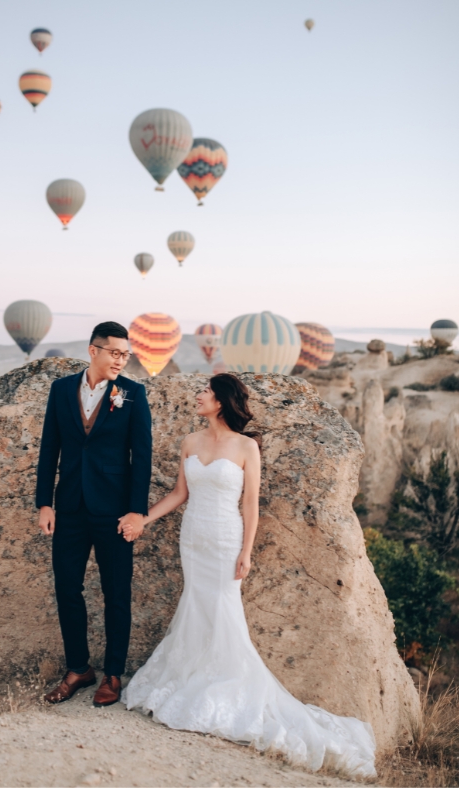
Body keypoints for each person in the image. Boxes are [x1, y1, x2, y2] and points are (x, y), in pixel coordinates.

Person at [118, 373, 376, 778]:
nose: (198, 396)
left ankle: (226, 686)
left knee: (224, 610)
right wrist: (143, 519)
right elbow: (179, 495)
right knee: (196, 606)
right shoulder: (190, 442)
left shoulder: (246, 446)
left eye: (205, 391)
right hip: (193, 539)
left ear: (221, 400)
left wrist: (247, 552)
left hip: (225, 540)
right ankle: (193, 676)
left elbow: (251, 504)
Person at [35, 321, 153, 708]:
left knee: (116, 592)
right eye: (115, 352)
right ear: (94, 350)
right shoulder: (61, 389)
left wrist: (136, 511)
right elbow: (49, 447)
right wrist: (44, 502)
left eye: (126, 354)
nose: (121, 360)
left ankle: (113, 675)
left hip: (115, 511)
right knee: (67, 589)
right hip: (68, 507)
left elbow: (142, 456)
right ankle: (78, 669)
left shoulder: (133, 394)